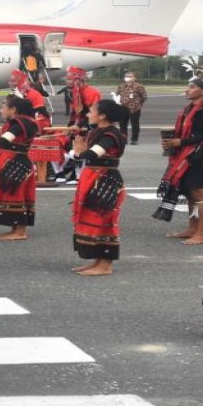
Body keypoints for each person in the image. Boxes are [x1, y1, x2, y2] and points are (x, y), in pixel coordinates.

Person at [155, 64, 203, 246]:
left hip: (199, 156)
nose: (187, 90)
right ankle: (192, 228)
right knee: (189, 193)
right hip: (186, 155)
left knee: (199, 194)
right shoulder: (191, 108)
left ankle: (201, 233)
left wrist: (181, 142)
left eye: (192, 87)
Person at [68, 99, 129, 276]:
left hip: (106, 179)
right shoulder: (98, 131)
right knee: (92, 219)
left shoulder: (110, 135)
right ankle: (97, 261)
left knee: (104, 221)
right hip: (94, 177)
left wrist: (77, 153)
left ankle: (105, 265)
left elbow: (92, 154)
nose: (88, 114)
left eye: (91, 111)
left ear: (102, 115)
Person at [0, 95, 40, 241]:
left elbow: (5, 142)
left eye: (3, 107)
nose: (1, 111)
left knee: (15, 193)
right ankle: (15, 228)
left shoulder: (19, 123)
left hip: (15, 161)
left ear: (13, 109)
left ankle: (20, 231)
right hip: (14, 159)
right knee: (11, 192)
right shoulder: (24, 122)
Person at [53, 67, 102, 183]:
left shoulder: (91, 92)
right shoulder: (75, 92)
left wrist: (79, 125)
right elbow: (75, 112)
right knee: (71, 146)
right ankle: (70, 172)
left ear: (79, 80)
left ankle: (78, 175)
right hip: (82, 123)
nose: (67, 82)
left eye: (70, 79)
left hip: (92, 124)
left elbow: (92, 113)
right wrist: (69, 127)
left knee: (82, 148)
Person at [115, 71, 147, 144]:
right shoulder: (121, 86)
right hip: (122, 108)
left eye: (130, 76)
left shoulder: (139, 87)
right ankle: (124, 139)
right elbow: (117, 95)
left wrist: (138, 104)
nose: (127, 78)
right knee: (122, 125)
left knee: (135, 125)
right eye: (126, 76)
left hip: (134, 109)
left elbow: (144, 97)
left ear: (134, 78)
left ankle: (134, 140)